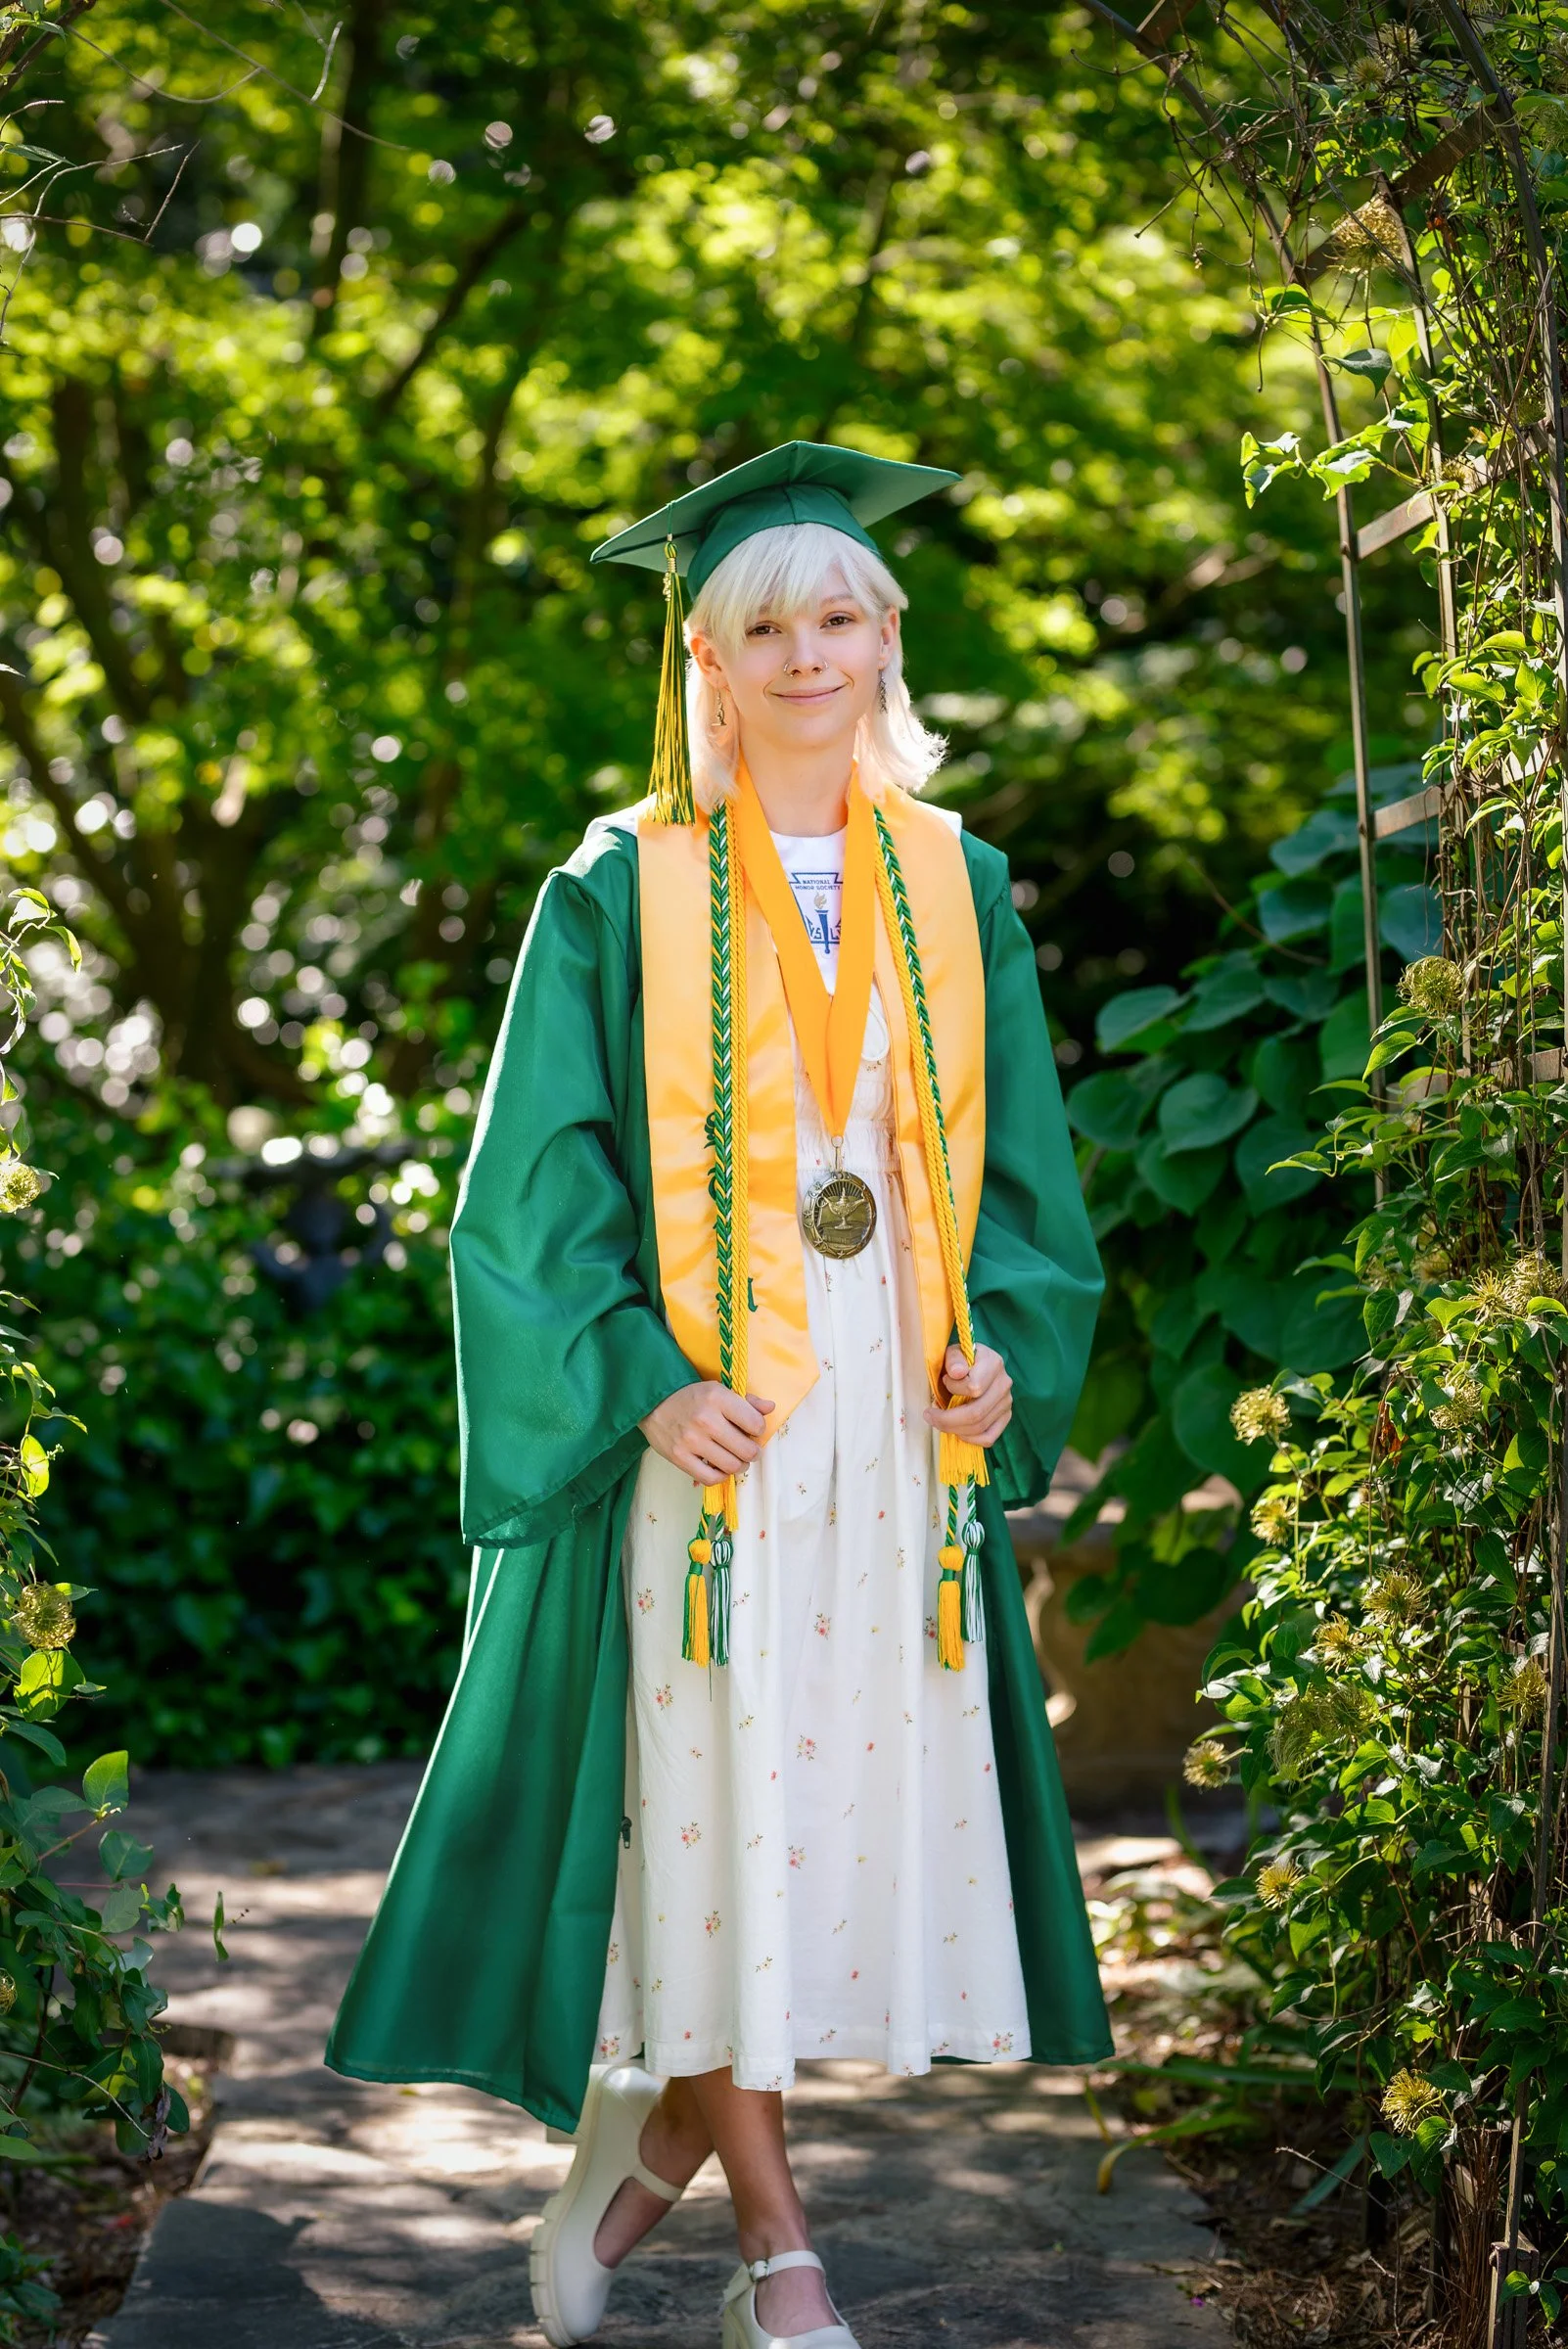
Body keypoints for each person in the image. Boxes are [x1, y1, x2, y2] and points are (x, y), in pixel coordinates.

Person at [325, 441, 1110, 2349]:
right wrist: (648, 1384)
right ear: (707, 650)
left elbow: (1027, 1186)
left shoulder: (954, 878)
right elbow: (538, 1179)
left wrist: (1002, 1341)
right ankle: (783, 2253)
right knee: (723, 1821)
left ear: (886, 634)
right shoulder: (623, 885)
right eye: (767, 623)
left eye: (838, 615)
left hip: (891, 1434)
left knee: (820, 1853)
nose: (808, 653)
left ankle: (651, 2142)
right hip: (719, 1424)